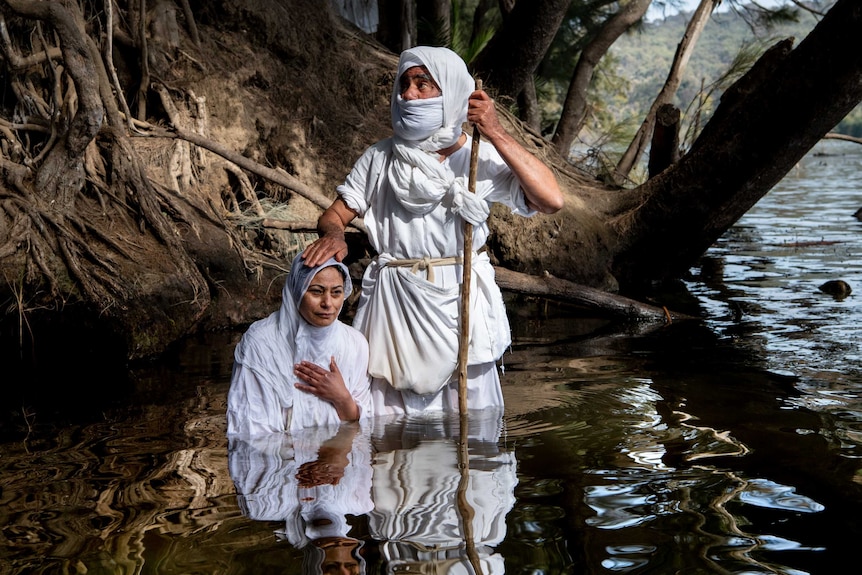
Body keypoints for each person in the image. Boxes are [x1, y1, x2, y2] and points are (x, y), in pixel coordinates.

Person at [301, 46, 563, 416]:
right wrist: (334, 234)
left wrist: (496, 131)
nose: (408, 94)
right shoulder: (380, 157)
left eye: (423, 84)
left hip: (461, 305)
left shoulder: (478, 157)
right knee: (389, 421)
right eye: (405, 84)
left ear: (452, 92)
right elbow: (334, 215)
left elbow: (551, 200)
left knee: (469, 421)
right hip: (395, 310)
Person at [227, 252, 371, 435]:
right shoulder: (262, 343)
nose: (328, 303)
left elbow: (365, 426)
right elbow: (249, 430)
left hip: (339, 457)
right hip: (279, 459)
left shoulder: (354, 344)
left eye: (336, 292)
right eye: (317, 291)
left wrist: (342, 398)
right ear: (297, 290)